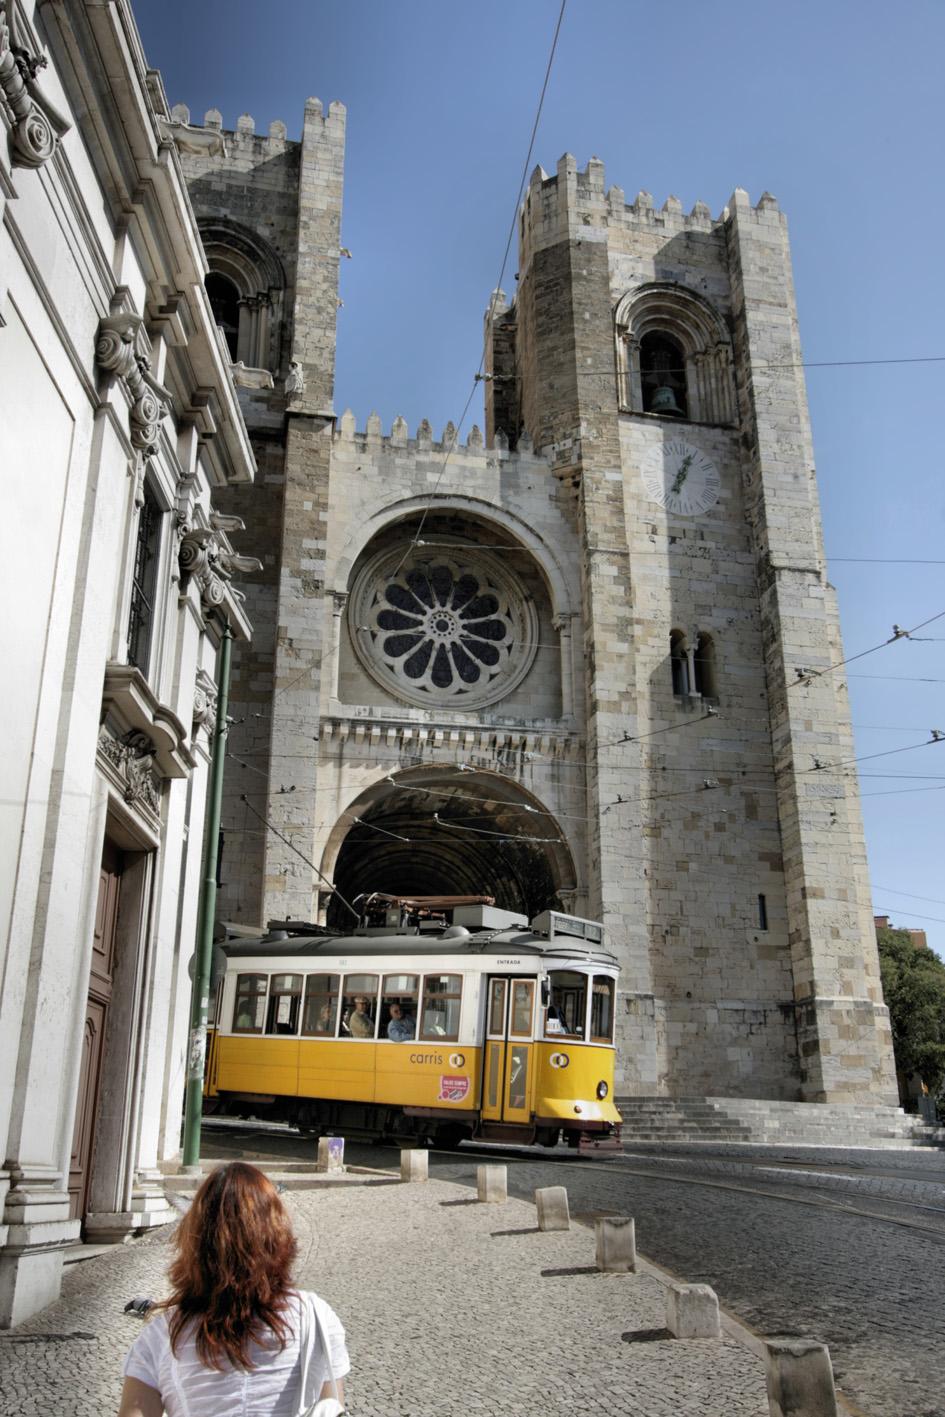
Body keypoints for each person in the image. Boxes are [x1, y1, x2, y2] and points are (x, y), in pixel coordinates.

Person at [117, 1162, 349, 1417]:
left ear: (195, 1239)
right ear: (276, 1234)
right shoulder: (317, 1319)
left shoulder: (162, 1336)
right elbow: (331, 1408)